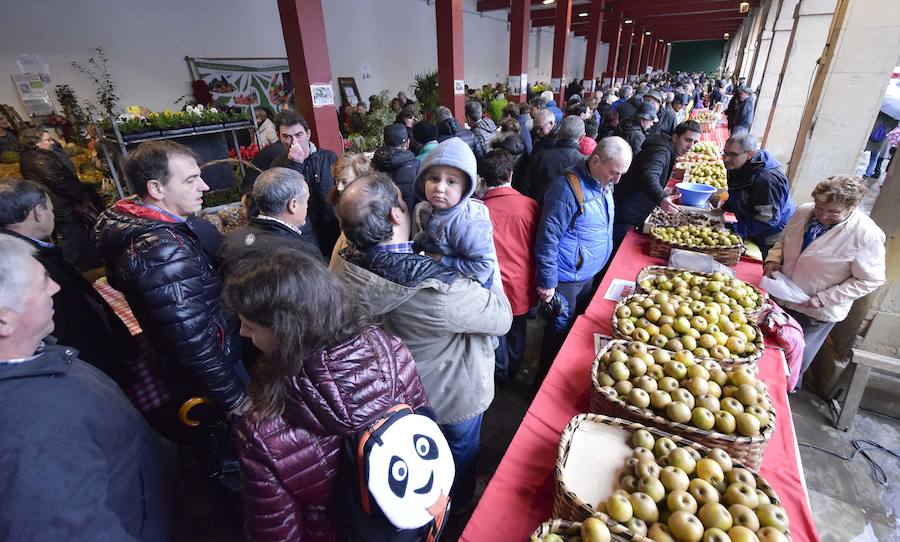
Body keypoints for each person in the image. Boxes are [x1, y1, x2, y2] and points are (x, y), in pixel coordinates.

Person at [223, 249, 429, 542]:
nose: (242, 332)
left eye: (252, 326)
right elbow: (423, 425)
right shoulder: (392, 350)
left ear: (287, 331)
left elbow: (276, 532)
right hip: (406, 514)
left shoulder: (262, 430)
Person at [336, 172, 512, 506]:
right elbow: (501, 316)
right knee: (459, 453)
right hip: (450, 397)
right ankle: (455, 508)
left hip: (393, 399)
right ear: (394, 215)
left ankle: (424, 510)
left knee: (417, 462)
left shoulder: (345, 268)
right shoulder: (440, 290)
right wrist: (486, 255)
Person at [0, 235, 174, 541]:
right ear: (4, 322)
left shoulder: (37, 356)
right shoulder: (30, 437)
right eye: (42, 283)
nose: (55, 287)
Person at [93, 140, 248, 414]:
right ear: (156, 188)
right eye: (191, 180)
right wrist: (233, 398)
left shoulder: (142, 225)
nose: (205, 187)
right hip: (213, 372)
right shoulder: (161, 247)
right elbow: (191, 339)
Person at [0, 178, 135, 385]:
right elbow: (71, 322)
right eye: (50, 210)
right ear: (38, 212)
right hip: (87, 366)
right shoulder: (26, 263)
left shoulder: (21, 253)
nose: (52, 288)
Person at [764, 175, 886, 389]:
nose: (823, 216)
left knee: (792, 360)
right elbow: (783, 241)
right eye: (820, 208)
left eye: (833, 212)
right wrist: (774, 259)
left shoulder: (866, 235)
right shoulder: (804, 212)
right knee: (768, 350)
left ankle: (782, 395)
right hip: (782, 296)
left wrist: (825, 298)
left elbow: (869, 279)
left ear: (853, 206)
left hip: (815, 311)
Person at [533, 137, 633, 388]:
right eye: (615, 173)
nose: (618, 181)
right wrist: (547, 282)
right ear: (596, 160)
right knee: (557, 333)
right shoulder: (566, 190)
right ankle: (543, 384)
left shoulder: (603, 181)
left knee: (574, 331)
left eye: (622, 174)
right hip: (567, 278)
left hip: (587, 273)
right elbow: (547, 238)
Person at [242, 110, 339, 257]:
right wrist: (293, 165)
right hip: (301, 238)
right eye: (286, 136)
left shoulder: (328, 158)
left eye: (298, 135)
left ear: (308, 134)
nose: (293, 142)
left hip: (331, 233)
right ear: (279, 137)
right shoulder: (277, 164)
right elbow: (278, 200)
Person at [480, 150, 538, 383]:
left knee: (496, 333)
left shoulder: (478, 209)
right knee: (518, 330)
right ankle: (513, 368)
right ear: (511, 175)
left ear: (483, 178)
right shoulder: (530, 205)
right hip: (522, 282)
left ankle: (501, 374)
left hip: (492, 286)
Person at [412, 137, 500, 288]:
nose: (439, 188)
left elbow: (484, 267)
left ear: (466, 189)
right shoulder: (429, 208)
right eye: (434, 178)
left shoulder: (467, 224)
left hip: (470, 286)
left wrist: (442, 260)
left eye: (451, 181)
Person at [18, 127, 102, 271]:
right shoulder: (40, 159)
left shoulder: (30, 156)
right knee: (72, 235)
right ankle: (64, 268)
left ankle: (93, 261)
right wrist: (81, 195)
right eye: (48, 140)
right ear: (35, 143)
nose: (52, 142)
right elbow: (60, 182)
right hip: (61, 205)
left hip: (57, 203)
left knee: (78, 233)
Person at [613, 121, 703, 248]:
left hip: (629, 209)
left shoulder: (665, 147)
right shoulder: (661, 151)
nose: (690, 146)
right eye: (688, 140)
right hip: (626, 213)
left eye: (695, 142)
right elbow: (650, 175)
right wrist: (661, 197)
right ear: (675, 137)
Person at [219, 167, 319, 280]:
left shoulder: (232, 240)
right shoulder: (302, 254)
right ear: (293, 205)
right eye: (306, 201)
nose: (306, 206)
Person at [720, 133, 796, 257]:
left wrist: (733, 229)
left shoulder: (766, 180)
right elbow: (740, 192)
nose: (726, 159)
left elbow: (766, 219)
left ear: (750, 154)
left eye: (733, 154)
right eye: (725, 153)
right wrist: (726, 207)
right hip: (754, 226)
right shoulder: (737, 166)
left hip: (771, 236)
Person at [327, 153, 375, 271]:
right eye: (337, 181)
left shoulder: (373, 209)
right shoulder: (340, 201)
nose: (339, 187)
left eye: (344, 182)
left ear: (362, 180)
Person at [523, 116, 586, 201]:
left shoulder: (540, 156)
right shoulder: (584, 164)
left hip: (536, 208)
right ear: (582, 137)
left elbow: (525, 187)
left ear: (559, 134)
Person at [374, 123, 420, 215]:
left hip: (383, 218)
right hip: (408, 217)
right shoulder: (415, 164)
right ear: (407, 143)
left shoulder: (376, 162)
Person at [493, 118, 529, 189]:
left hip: (501, 185)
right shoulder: (523, 145)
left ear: (503, 130)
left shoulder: (498, 147)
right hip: (518, 185)